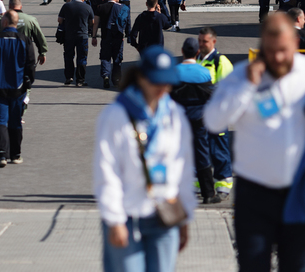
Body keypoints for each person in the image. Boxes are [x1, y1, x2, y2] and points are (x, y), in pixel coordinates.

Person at [204, 12, 305, 272]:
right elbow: (213, 120)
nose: (277, 57)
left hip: (304, 188)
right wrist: (246, 86)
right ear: (262, 44)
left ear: (295, 44)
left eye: (283, 50)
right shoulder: (241, 76)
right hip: (254, 194)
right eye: (270, 50)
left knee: (298, 267)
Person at [94, 45, 195, 272]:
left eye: (166, 82)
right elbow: (106, 170)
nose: (161, 88)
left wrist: (185, 215)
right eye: (155, 81)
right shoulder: (115, 115)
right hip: (127, 214)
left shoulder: (175, 115)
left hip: (165, 213)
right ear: (141, 78)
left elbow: (184, 168)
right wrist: (114, 219)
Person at [0, 11, 36, 167]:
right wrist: (28, 82)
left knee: (0, 121)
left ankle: (2, 155)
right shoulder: (24, 40)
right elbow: (30, 64)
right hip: (18, 88)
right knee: (15, 122)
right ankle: (16, 154)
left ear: (4, 22)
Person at [171, 37, 220, 204]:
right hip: (199, 119)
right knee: (202, 153)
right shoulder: (204, 72)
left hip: (178, 120)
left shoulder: (174, 72)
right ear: (198, 52)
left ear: (183, 51)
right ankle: (208, 193)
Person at [195, 27, 234, 199]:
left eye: (205, 41)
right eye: (200, 41)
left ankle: (223, 184)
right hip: (199, 114)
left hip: (216, 115)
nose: (201, 44)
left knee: (218, 150)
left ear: (213, 42)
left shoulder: (221, 62)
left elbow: (229, 89)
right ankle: (200, 184)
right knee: (200, 150)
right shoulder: (196, 59)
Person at [59, 0, 95, 87]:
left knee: (68, 56)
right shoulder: (87, 7)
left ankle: (69, 77)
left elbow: (59, 20)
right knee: (82, 57)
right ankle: (80, 80)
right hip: (82, 36)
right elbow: (92, 22)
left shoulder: (66, 6)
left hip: (69, 36)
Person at [94, 0, 129, 90]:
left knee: (105, 57)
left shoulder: (100, 7)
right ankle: (117, 80)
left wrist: (94, 36)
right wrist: (128, 34)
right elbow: (127, 22)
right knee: (117, 58)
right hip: (118, 36)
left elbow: (95, 23)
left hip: (105, 36)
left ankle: (105, 75)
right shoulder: (122, 7)